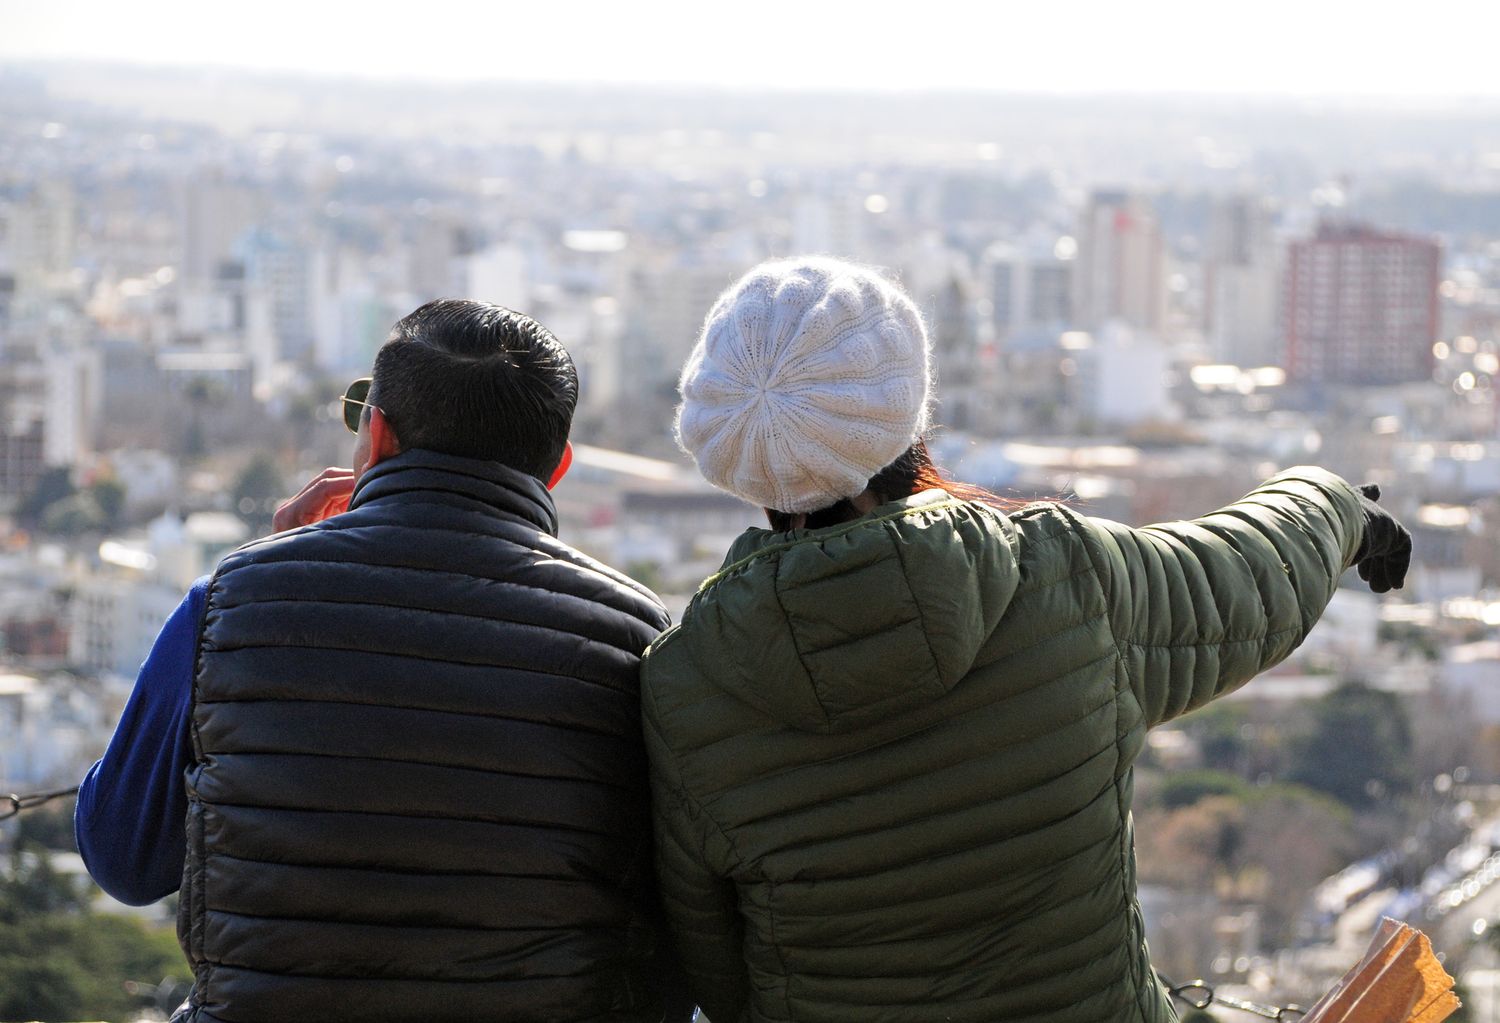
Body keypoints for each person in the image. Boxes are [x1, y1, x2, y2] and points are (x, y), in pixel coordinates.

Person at [640, 257, 1413, 1023]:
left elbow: (715, 965)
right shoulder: (1057, 576)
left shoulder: (686, 689)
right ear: (906, 411)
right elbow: (1247, 582)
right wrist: (1337, 503)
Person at [77, 300, 688, 1022]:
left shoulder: (228, 603)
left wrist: (266, 574)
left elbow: (123, 859)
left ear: (378, 433)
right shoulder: (635, 633)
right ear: (557, 466)